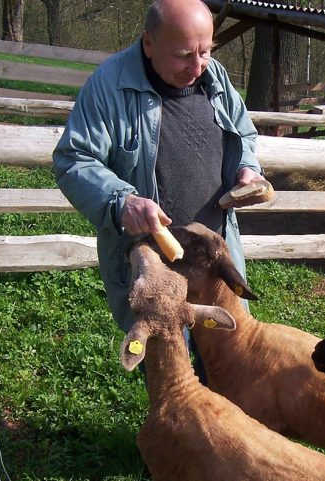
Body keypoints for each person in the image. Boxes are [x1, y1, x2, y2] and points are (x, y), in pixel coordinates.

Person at [52, 0, 263, 351]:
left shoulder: (217, 78)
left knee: (228, 361)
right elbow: (73, 159)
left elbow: (244, 135)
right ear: (149, 43)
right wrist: (122, 201)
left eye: (205, 52)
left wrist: (246, 168)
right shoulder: (109, 86)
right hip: (157, 265)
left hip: (215, 256)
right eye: (183, 55)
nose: (197, 67)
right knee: (171, 370)